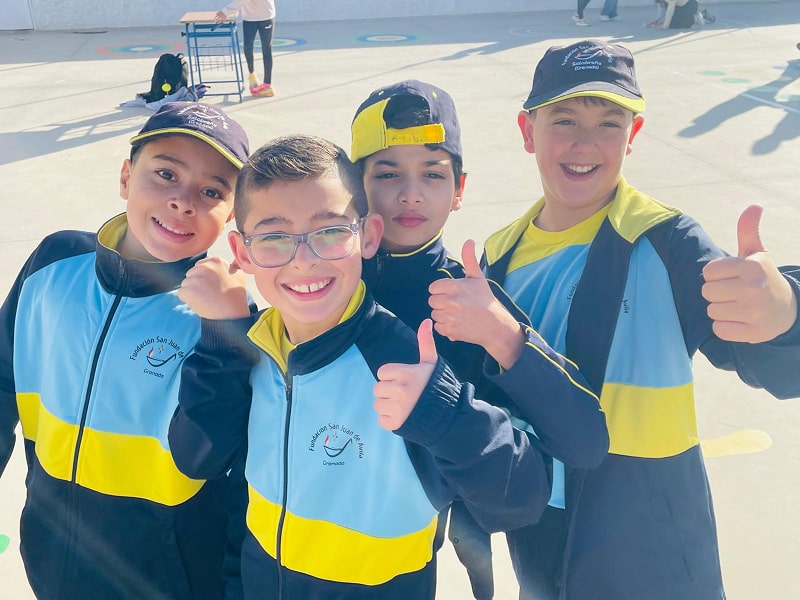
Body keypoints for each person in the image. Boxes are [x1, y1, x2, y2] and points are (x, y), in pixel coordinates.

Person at [430, 39, 800, 599]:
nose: (585, 143)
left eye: (608, 123)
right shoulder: (497, 259)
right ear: (528, 131)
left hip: (654, 556)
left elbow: (758, 349)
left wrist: (785, 310)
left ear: (633, 134)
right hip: (543, 546)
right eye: (564, 120)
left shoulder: (666, 242)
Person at [167, 133, 566, 599]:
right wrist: (222, 335)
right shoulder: (253, 349)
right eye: (274, 238)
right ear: (242, 252)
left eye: (330, 232)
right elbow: (199, 459)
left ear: (369, 236)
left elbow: (521, 499)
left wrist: (447, 416)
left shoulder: (405, 364)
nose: (304, 260)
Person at [351, 80, 609, 599]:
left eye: (433, 173)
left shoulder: (472, 301)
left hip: (429, 557)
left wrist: (505, 337)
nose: (411, 194)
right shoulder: (319, 283)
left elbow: (584, 441)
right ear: (355, 187)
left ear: (459, 190)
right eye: (387, 173)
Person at [0, 101, 250, 599]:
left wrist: (226, 332)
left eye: (211, 191)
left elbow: (208, 457)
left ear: (231, 215)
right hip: (49, 557)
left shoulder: (223, 319)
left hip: (166, 581)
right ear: (125, 177)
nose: (184, 202)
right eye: (165, 174)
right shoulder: (54, 263)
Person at [216, 0, 276, 97]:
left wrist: (226, 11)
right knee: (248, 47)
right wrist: (235, 9)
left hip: (266, 16)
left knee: (266, 49)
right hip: (249, 18)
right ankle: (252, 76)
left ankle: (267, 86)